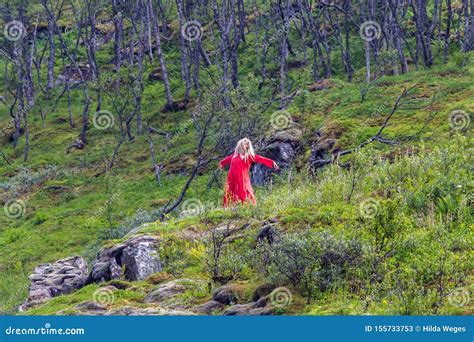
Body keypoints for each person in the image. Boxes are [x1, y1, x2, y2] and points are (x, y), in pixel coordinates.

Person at [219, 138, 279, 207]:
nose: (246, 145)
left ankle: (249, 207)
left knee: (245, 191)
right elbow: (224, 161)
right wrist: (221, 165)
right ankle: (230, 208)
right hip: (232, 178)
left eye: (247, 144)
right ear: (240, 145)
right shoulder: (234, 156)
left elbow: (261, 159)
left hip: (243, 178)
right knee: (230, 192)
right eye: (244, 143)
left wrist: (272, 162)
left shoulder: (249, 156)